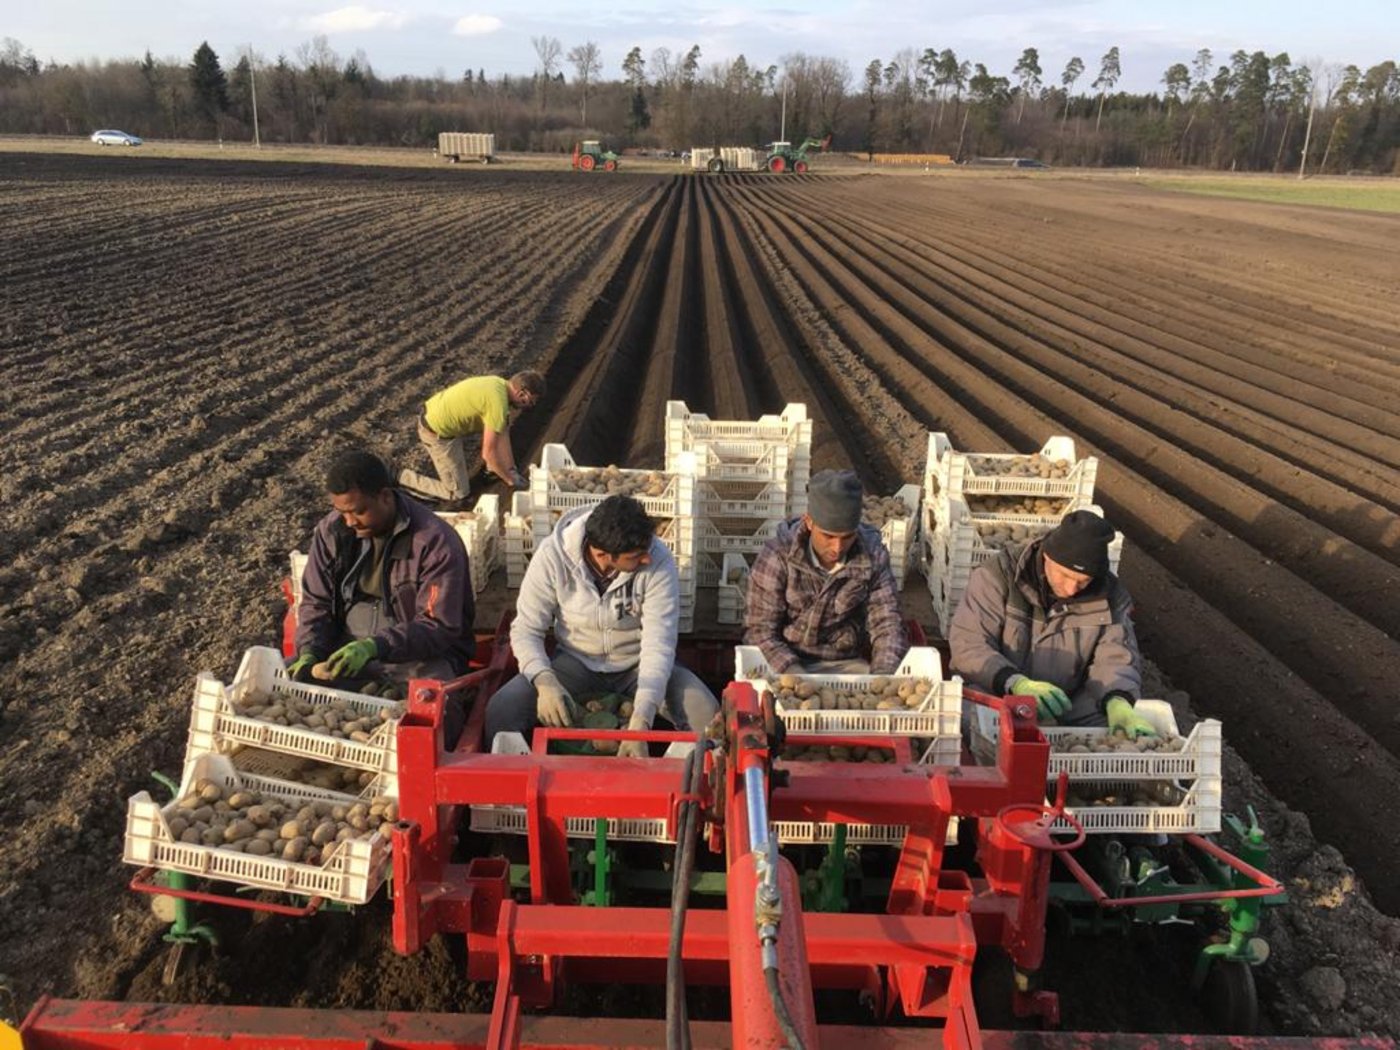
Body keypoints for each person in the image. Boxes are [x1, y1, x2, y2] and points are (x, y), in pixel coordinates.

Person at [485, 495, 718, 757]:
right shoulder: (552, 557)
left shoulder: (659, 559)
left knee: (708, 716)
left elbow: (658, 645)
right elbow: (526, 629)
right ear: (602, 554)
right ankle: (512, 792)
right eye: (636, 556)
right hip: (575, 662)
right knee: (502, 710)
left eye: (646, 551)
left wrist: (641, 719)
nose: (646, 560)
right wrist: (544, 680)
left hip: (637, 664)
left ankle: (692, 792)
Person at [288, 450, 476, 743]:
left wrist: (376, 646)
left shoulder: (435, 541)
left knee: (438, 715)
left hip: (418, 654)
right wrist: (310, 650)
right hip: (346, 644)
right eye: (342, 512)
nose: (350, 521)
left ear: (386, 496)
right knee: (288, 682)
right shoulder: (332, 531)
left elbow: (437, 625)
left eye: (358, 511)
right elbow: (317, 601)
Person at [948, 508, 1155, 736]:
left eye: (1083, 581)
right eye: (1064, 575)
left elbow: (1115, 657)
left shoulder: (1110, 597)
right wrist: (1016, 683)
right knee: (969, 719)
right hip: (1001, 691)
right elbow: (968, 644)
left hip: (1067, 703)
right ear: (1047, 556)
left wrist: (1118, 700)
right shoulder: (999, 575)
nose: (1071, 588)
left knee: (1117, 729)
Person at [744, 469, 909, 674]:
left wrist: (883, 674)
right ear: (810, 522)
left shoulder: (872, 556)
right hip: (784, 661)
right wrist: (794, 674)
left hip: (844, 664)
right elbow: (760, 630)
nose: (838, 548)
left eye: (847, 537)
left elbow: (887, 623)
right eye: (828, 536)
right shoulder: (778, 556)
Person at [397, 370, 545, 504]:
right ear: (522, 394)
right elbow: (488, 453)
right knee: (457, 493)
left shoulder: (498, 384)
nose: (530, 406)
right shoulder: (497, 405)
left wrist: (511, 469)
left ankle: (492, 470)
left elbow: (503, 432)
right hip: (436, 432)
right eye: (531, 401)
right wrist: (510, 480)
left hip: (441, 415)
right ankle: (401, 477)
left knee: (499, 429)